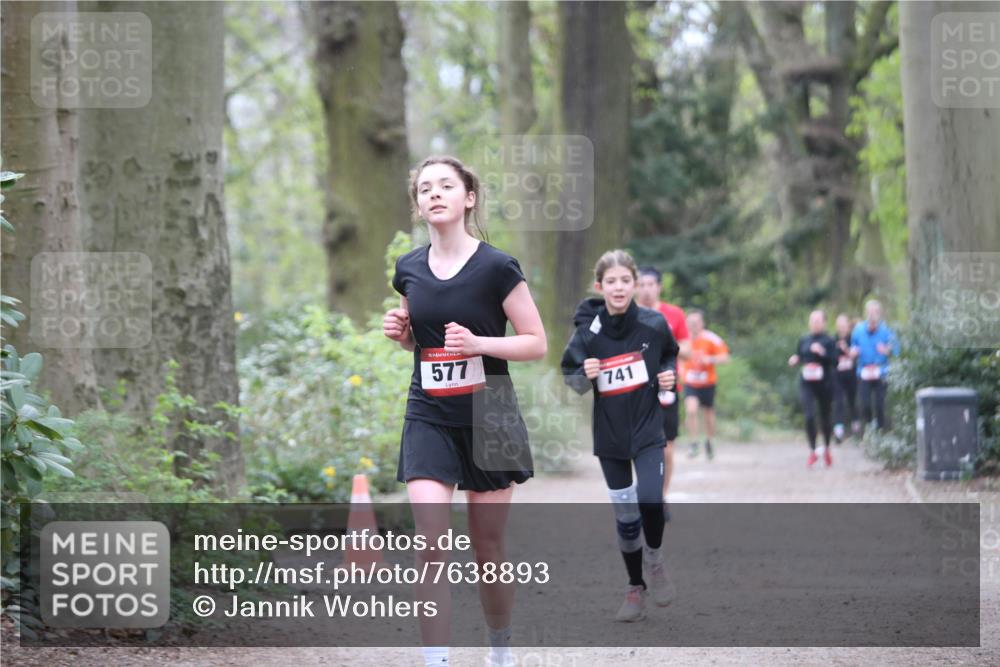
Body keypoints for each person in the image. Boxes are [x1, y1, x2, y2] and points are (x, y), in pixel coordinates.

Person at [384, 155, 547, 667]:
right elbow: (421, 341)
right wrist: (402, 335)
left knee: (487, 551)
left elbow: (536, 343)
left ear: (468, 198)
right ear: (418, 204)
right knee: (430, 546)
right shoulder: (408, 268)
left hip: (489, 413)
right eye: (425, 188)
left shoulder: (497, 267)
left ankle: (499, 651)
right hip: (428, 412)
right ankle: (437, 660)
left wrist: (479, 343)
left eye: (446, 185)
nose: (434, 193)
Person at [561, 250, 679, 622]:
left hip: (647, 429)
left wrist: (667, 375)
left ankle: (655, 560)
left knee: (650, 501)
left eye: (625, 281)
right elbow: (572, 380)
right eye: (610, 282)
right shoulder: (589, 330)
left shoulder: (654, 323)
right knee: (626, 517)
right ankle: (634, 587)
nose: (618, 287)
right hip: (610, 435)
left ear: (634, 284)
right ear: (600, 286)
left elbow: (670, 357)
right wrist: (586, 372)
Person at [636, 266, 690, 520]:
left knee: (667, 448)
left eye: (650, 284)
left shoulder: (674, 314)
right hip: (634, 390)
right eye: (642, 284)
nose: (646, 289)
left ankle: (661, 497)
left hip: (667, 388)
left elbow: (687, 350)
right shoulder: (627, 313)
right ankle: (644, 492)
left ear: (659, 286)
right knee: (636, 446)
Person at [788, 310, 838, 467]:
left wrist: (822, 353)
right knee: (809, 415)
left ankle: (827, 448)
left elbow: (835, 361)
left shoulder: (829, 340)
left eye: (818, 320)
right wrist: (795, 359)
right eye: (812, 320)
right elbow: (800, 355)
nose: (815, 323)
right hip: (807, 382)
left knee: (825, 416)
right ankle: (812, 451)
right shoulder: (804, 339)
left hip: (825, 383)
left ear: (824, 323)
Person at [680, 310, 730, 460]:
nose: (692, 326)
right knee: (691, 410)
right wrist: (681, 371)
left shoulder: (711, 338)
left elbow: (726, 357)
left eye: (695, 323)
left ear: (702, 323)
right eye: (689, 323)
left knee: (708, 413)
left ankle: (709, 440)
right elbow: (678, 357)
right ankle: (694, 442)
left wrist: (710, 359)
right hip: (690, 382)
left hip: (708, 382)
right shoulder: (684, 340)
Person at [850, 299, 898, 435]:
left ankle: (880, 431)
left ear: (880, 314)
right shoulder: (858, 330)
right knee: (864, 404)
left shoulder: (887, 331)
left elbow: (897, 350)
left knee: (879, 404)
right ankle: (870, 428)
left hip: (881, 371)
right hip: (864, 371)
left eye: (875, 312)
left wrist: (887, 350)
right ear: (866, 313)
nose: (872, 315)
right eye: (869, 312)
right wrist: (853, 352)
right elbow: (853, 346)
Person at [832, 313, 859, 442]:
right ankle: (838, 431)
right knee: (838, 402)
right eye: (839, 325)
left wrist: (846, 349)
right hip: (837, 376)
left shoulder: (853, 339)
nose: (841, 327)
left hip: (852, 375)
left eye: (844, 325)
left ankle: (856, 428)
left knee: (852, 401)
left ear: (848, 326)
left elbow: (856, 355)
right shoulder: (833, 340)